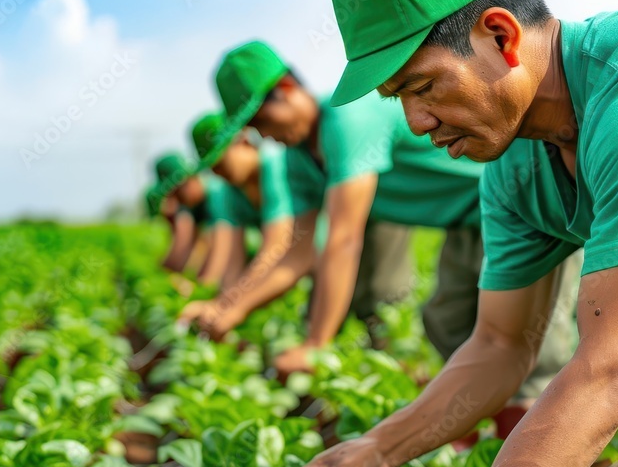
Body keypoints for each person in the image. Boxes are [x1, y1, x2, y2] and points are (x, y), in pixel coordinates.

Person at [285, 0, 618, 467]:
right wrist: (381, 446)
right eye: (399, 99)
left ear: (500, 36)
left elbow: (613, 365)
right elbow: (501, 345)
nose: (416, 123)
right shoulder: (511, 162)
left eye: (423, 86)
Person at [184, 41, 494, 377]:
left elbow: (342, 238)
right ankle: (482, 423)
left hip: (506, 198)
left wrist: (315, 345)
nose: (265, 135)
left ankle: (524, 418)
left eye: (263, 119)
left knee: (520, 340)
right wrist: (229, 308)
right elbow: (297, 252)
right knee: (449, 324)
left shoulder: (347, 116)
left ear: (287, 89)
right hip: (466, 223)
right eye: (255, 128)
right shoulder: (296, 157)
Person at [177, 112, 297, 332]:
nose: (217, 172)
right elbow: (232, 262)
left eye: (220, 162)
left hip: (310, 255)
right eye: (211, 167)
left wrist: (227, 305)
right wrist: (221, 304)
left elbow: (275, 249)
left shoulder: (274, 165)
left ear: (243, 141)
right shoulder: (229, 190)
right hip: (288, 268)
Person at [148, 151, 245, 287]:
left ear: (188, 181)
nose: (179, 201)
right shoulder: (196, 206)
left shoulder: (217, 193)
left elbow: (223, 247)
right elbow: (195, 246)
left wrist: (202, 287)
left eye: (178, 193)